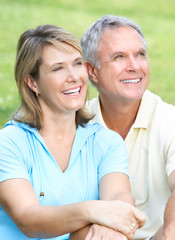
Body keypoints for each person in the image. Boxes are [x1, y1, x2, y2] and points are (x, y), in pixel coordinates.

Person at [0, 24, 145, 240]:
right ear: (32, 83)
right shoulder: (9, 143)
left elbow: (119, 196)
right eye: (58, 68)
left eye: (77, 64)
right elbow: (28, 219)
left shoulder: (106, 142)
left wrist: (111, 225)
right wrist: (93, 211)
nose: (74, 76)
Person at [80, 15, 175, 240]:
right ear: (92, 70)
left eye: (140, 54)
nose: (134, 66)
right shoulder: (77, 124)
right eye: (119, 57)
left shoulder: (168, 120)